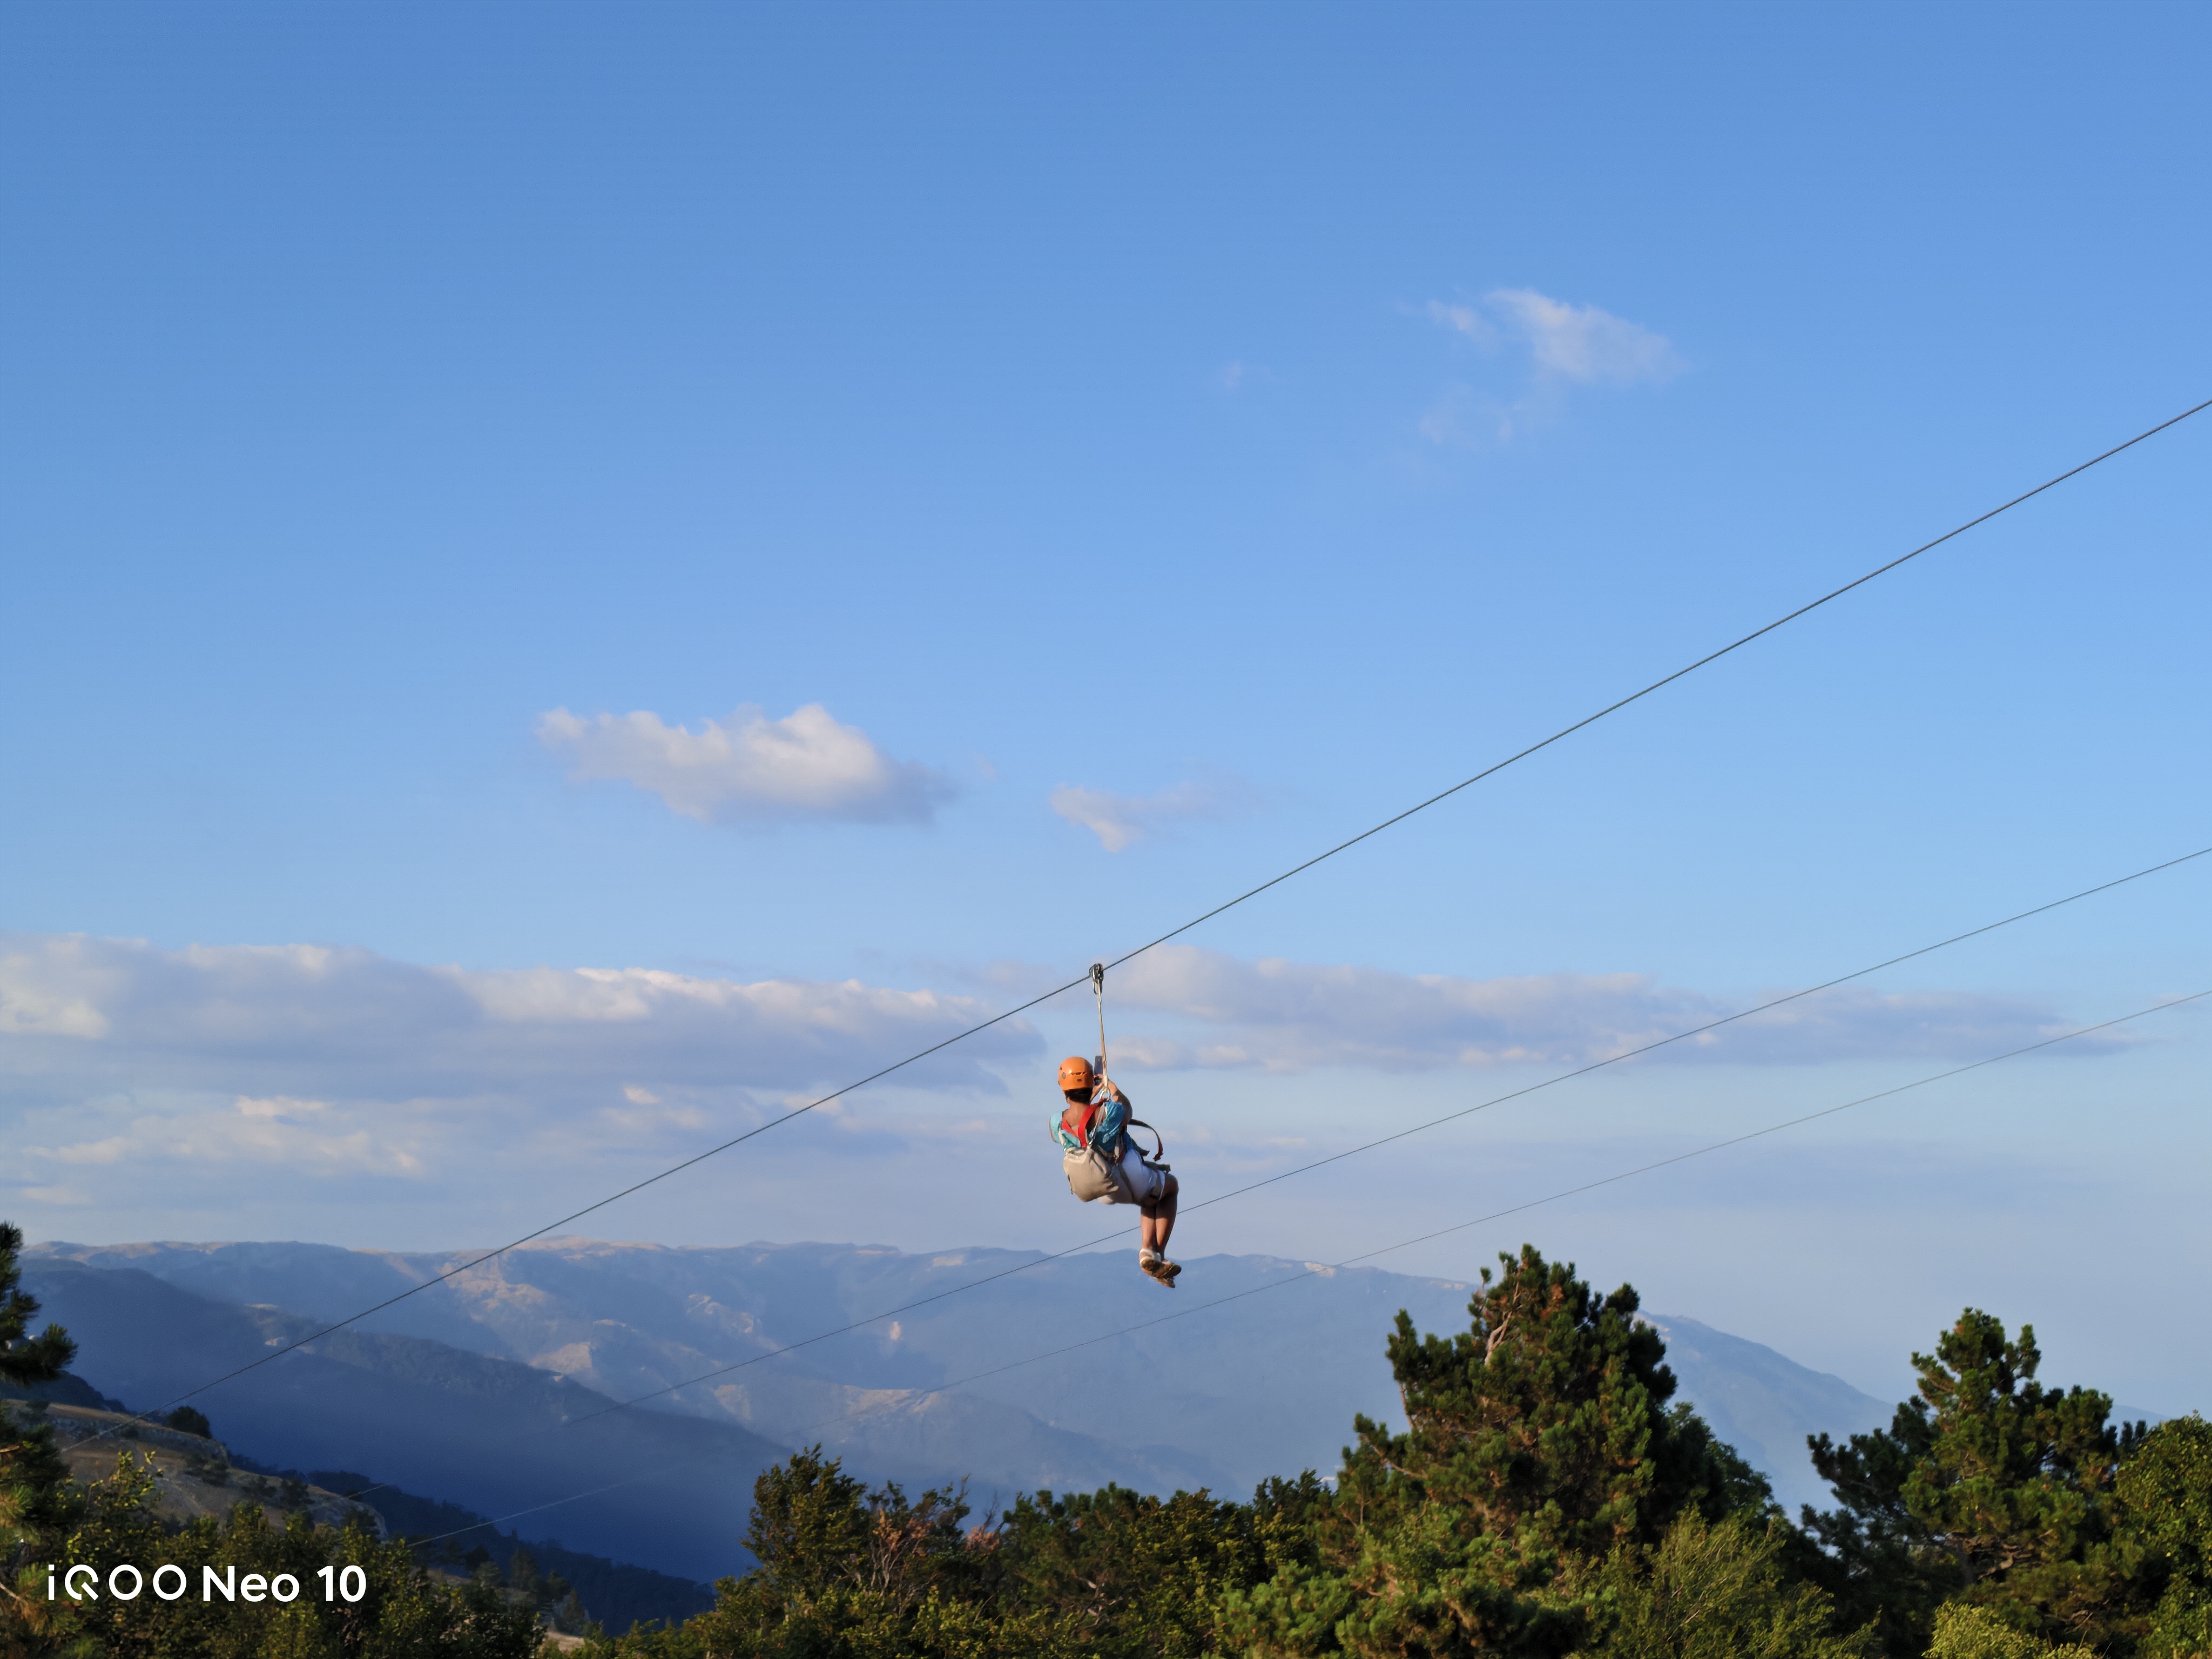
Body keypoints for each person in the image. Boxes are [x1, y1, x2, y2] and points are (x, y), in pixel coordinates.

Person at [1051, 1055, 1179, 1285]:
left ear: (1064, 1091)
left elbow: (1073, 1127)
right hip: (1125, 1175)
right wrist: (1111, 1087)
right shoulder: (1108, 1112)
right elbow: (1127, 1111)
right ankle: (1157, 1254)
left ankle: (1147, 1253)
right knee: (1170, 1187)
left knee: (1150, 1196)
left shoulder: (1056, 1123)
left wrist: (1088, 1100)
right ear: (1091, 1084)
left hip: (1099, 1188)